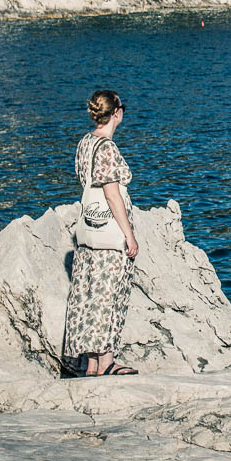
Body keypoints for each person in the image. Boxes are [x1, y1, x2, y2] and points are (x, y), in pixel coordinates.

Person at [63, 89, 141, 376]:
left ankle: (93, 363)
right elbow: (111, 194)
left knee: (90, 293)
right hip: (109, 234)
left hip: (89, 233)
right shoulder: (107, 148)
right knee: (109, 293)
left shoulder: (86, 143)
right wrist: (129, 235)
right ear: (116, 113)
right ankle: (106, 360)